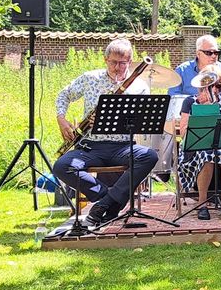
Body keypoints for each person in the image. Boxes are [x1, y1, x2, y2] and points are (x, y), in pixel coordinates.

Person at [53, 39, 159, 227]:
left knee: (149, 156)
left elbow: (141, 122)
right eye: (113, 62)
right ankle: (109, 201)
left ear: (130, 62)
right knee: (62, 166)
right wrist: (61, 119)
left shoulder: (140, 86)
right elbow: (64, 95)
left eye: (122, 63)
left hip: (122, 147)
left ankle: (103, 205)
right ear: (105, 60)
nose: (117, 68)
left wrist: (113, 119)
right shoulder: (90, 78)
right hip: (91, 146)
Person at [176, 66, 221, 220]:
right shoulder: (190, 102)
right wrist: (202, 111)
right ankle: (202, 203)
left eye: (216, 86)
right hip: (195, 145)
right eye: (208, 86)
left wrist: (214, 108)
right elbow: (183, 133)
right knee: (207, 155)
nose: (212, 89)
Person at [169, 34, 221, 99]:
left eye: (216, 52)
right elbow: (174, 98)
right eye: (209, 53)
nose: (213, 56)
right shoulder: (182, 71)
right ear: (198, 54)